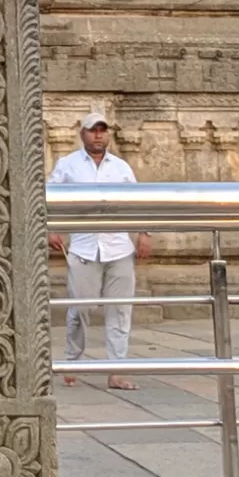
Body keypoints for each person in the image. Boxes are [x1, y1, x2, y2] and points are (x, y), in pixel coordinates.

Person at [48, 111, 151, 390]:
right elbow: (47, 197)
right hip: (83, 247)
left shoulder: (120, 168)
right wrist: (50, 228)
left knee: (120, 311)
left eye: (103, 131)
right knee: (79, 310)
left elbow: (138, 201)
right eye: (93, 130)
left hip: (118, 247)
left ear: (108, 135)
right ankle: (73, 361)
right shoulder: (67, 165)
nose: (98, 135)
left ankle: (116, 370)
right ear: (83, 134)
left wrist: (144, 232)